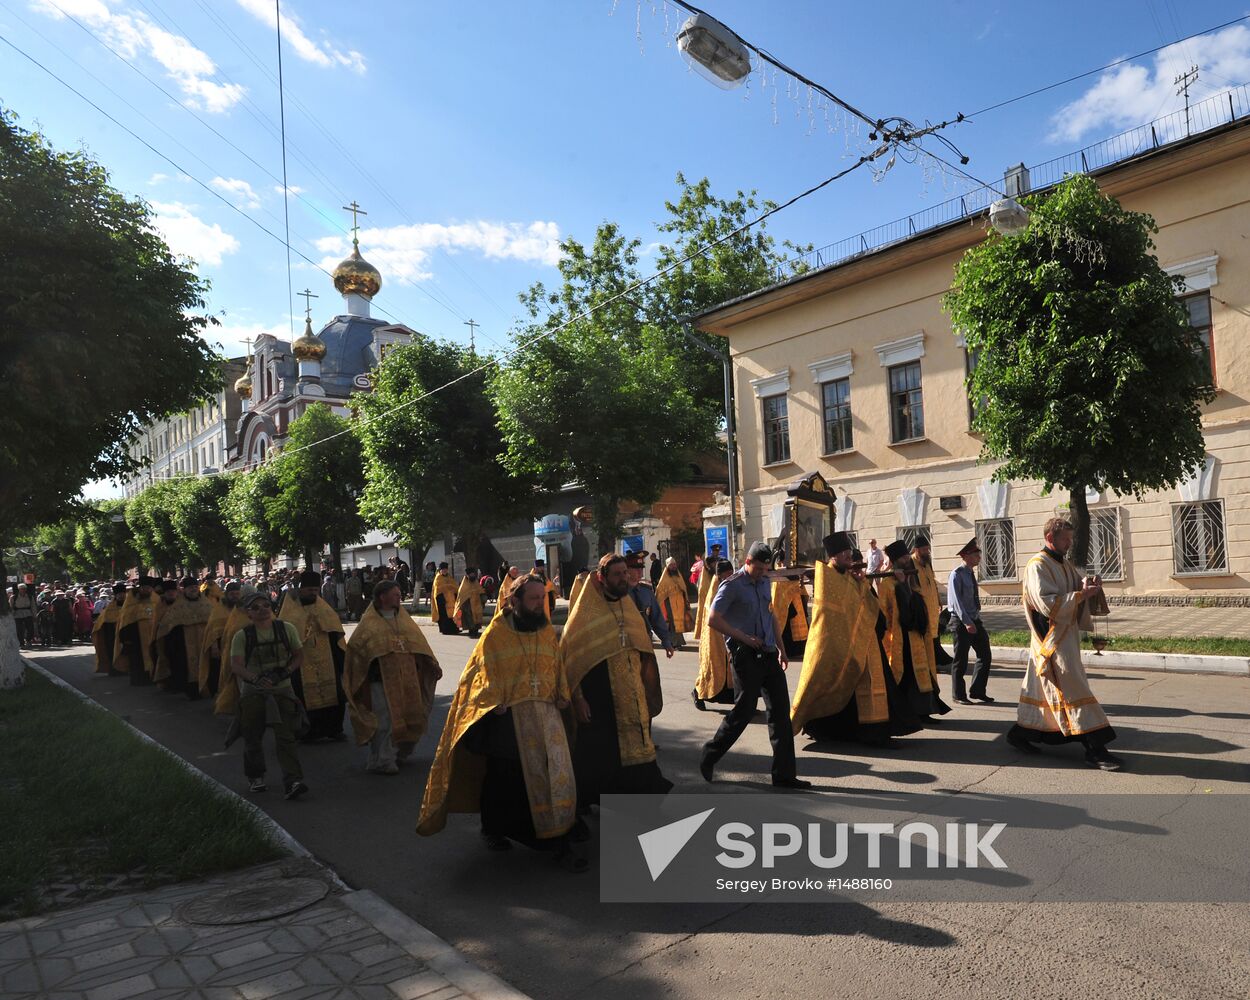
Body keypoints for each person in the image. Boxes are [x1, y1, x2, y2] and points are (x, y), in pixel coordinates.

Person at [417, 576, 585, 871]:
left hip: (546, 716)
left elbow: (556, 664)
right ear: (514, 601)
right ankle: (495, 828)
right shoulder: (495, 635)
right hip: (508, 720)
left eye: (541, 598)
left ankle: (556, 833)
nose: (539, 604)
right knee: (504, 781)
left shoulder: (546, 630)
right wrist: (492, 701)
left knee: (552, 774)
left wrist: (562, 694)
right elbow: (479, 675)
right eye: (532, 599)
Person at [1007, 518, 1122, 770]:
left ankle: (1019, 734)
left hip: (1065, 638)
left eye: (1070, 539)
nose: (1069, 543)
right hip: (1051, 641)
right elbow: (1048, 604)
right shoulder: (1037, 565)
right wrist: (1082, 595)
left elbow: (1073, 588)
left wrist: (1086, 587)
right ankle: (1095, 749)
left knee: (1044, 696)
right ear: (1050, 538)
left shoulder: (1064, 563)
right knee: (1074, 691)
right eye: (1065, 539)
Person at [562, 553, 672, 808]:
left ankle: (643, 798)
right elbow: (570, 661)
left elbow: (643, 651)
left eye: (625, 573)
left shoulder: (629, 606)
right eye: (617, 574)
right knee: (597, 756)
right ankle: (581, 804)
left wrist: (644, 687)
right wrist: (578, 699)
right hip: (598, 698)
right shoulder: (584, 614)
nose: (624, 578)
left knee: (637, 748)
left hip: (631, 693)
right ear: (601, 578)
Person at [791, 534, 920, 747]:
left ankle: (873, 732)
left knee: (868, 688)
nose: (849, 559)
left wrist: (862, 583)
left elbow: (866, 604)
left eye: (850, 554)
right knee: (839, 686)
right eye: (845, 555)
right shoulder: (828, 577)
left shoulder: (849, 577)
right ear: (833, 556)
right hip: (841, 644)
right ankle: (827, 729)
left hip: (863, 640)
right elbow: (834, 614)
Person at [700, 542, 811, 789]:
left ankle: (784, 776)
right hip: (745, 655)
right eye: (758, 568)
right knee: (744, 711)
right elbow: (713, 619)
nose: (762, 573)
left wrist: (781, 648)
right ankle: (710, 754)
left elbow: (770, 614)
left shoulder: (764, 582)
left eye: (765, 569)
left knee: (781, 715)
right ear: (747, 562)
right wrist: (743, 637)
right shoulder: (731, 585)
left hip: (769, 655)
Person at [344, 580, 443, 775]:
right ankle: (381, 760)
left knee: (410, 715)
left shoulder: (404, 619)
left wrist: (430, 663)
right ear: (382, 597)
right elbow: (357, 650)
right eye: (396, 594)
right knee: (385, 721)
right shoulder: (369, 623)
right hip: (379, 680)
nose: (399, 597)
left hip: (408, 678)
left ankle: (399, 753)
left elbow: (419, 644)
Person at [229, 592, 309, 799]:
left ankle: (293, 781)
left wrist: (285, 672)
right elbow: (236, 665)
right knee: (253, 736)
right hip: (254, 693)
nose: (262, 609)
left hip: (282, 690)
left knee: (286, 737)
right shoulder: (242, 636)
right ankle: (256, 776)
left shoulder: (286, 629)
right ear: (248, 613)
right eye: (255, 607)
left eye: (266, 605)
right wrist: (255, 679)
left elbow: (299, 655)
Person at [876, 541, 951, 724]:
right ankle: (908, 713)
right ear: (895, 561)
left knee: (922, 673)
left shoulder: (912, 577)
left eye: (907, 557)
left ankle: (924, 711)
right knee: (907, 676)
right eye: (902, 558)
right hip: (901, 639)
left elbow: (918, 600)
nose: (907, 560)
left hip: (918, 635)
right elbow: (885, 613)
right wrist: (902, 586)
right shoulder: (887, 583)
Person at [280, 569, 348, 742]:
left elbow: (335, 630)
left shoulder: (323, 607)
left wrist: (341, 659)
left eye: (315, 590)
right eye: (310, 590)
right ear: (301, 589)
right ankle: (308, 732)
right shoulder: (290, 607)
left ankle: (334, 729)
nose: (313, 593)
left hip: (326, 657)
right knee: (303, 695)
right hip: (301, 659)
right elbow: (285, 631)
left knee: (335, 695)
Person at [948, 538, 994, 705]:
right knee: (961, 659)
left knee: (985, 654)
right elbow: (956, 602)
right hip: (961, 622)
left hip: (974, 619)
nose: (979, 558)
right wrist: (967, 622)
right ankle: (958, 695)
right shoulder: (956, 574)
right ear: (966, 556)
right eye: (976, 554)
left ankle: (977, 691)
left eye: (978, 554)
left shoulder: (970, 573)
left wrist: (975, 619)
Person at [153, 577, 212, 698]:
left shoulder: (206, 604)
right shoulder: (177, 607)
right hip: (184, 644)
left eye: (195, 587)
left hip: (204, 642)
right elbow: (168, 627)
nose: (193, 590)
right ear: (184, 590)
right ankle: (192, 692)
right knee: (186, 667)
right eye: (190, 588)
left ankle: (208, 689)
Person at [693, 558, 736, 710]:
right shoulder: (714, 592)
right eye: (726, 574)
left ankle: (740, 702)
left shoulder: (732, 586)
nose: (729, 577)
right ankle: (698, 692)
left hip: (729, 633)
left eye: (732, 573)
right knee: (712, 668)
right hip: (714, 637)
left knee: (731, 669)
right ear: (719, 576)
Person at [911, 535, 953, 670]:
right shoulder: (911, 564)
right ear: (916, 550)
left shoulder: (927, 562)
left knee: (934, 633)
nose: (927, 552)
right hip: (922, 607)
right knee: (926, 635)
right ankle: (928, 662)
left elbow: (932, 581)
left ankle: (934, 660)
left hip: (932, 604)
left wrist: (938, 599)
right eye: (924, 549)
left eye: (927, 549)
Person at [201, 582, 246, 698]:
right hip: (223, 646)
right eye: (232, 594)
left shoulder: (242, 608)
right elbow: (212, 630)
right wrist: (214, 646)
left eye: (237, 593)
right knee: (223, 669)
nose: (235, 596)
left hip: (241, 644)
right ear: (227, 594)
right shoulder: (218, 609)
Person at [625, 552, 674, 656]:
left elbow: (656, 618)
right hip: (626, 645)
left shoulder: (646, 591)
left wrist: (666, 640)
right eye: (636, 569)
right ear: (627, 570)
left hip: (646, 642)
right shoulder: (619, 593)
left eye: (641, 568)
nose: (640, 572)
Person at [114, 577, 159, 685]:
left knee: (155, 657)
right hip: (136, 638)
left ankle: (155, 678)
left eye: (149, 588)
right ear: (140, 588)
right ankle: (139, 680)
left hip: (154, 636)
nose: (147, 590)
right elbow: (125, 621)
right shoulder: (131, 602)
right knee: (137, 660)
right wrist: (127, 639)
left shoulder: (156, 600)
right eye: (144, 588)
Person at [770, 553, 809, 660]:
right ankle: (787, 650)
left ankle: (798, 650)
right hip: (785, 607)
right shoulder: (777, 574)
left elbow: (801, 588)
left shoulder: (793, 572)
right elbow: (778, 594)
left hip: (797, 604)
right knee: (786, 628)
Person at [654, 557, 694, 648]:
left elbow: (684, 588)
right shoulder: (664, 578)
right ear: (667, 566)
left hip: (680, 604)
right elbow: (659, 592)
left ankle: (679, 642)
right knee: (672, 623)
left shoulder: (678, 575)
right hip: (669, 604)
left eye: (674, 564)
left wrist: (685, 599)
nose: (673, 566)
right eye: (671, 565)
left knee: (679, 622)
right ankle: (673, 643)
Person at [91, 583, 126, 673]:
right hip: (112, 634)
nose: (121, 596)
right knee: (112, 651)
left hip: (126, 633)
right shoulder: (110, 608)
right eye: (119, 594)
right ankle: (114, 670)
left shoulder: (129, 607)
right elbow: (102, 621)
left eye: (123, 594)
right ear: (116, 595)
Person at [455, 567, 485, 639]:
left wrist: (483, 597)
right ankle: (471, 630)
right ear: (467, 575)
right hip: (468, 604)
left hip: (477, 603)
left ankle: (476, 630)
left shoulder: (476, 582)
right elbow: (461, 595)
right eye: (471, 574)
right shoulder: (464, 584)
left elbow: (480, 590)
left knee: (478, 616)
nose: (472, 576)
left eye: (473, 574)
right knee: (470, 618)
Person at [431, 562, 460, 635]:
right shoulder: (438, 578)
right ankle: (445, 630)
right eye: (443, 569)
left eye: (446, 569)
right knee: (444, 616)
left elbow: (455, 587)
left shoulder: (450, 577)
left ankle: (454, 629)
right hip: (442, 600)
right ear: (440, 570)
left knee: (453, 614)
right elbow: (437, 590)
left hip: (452, 600)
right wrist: (441, 599)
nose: (445, 571)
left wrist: (456, 595)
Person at [11, 583, 34, 649]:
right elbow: (11, 607)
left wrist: (34, 615)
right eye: (21, 589)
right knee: (19, 630)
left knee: (30, 628)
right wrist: (12, 616)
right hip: (17, 614)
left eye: (24, 589)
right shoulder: (13, 597)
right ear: (19, 590)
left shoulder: (29, 596)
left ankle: (28, 640)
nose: (23, 590)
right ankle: (21, 643)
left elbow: (33, 606)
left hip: (28, 613)